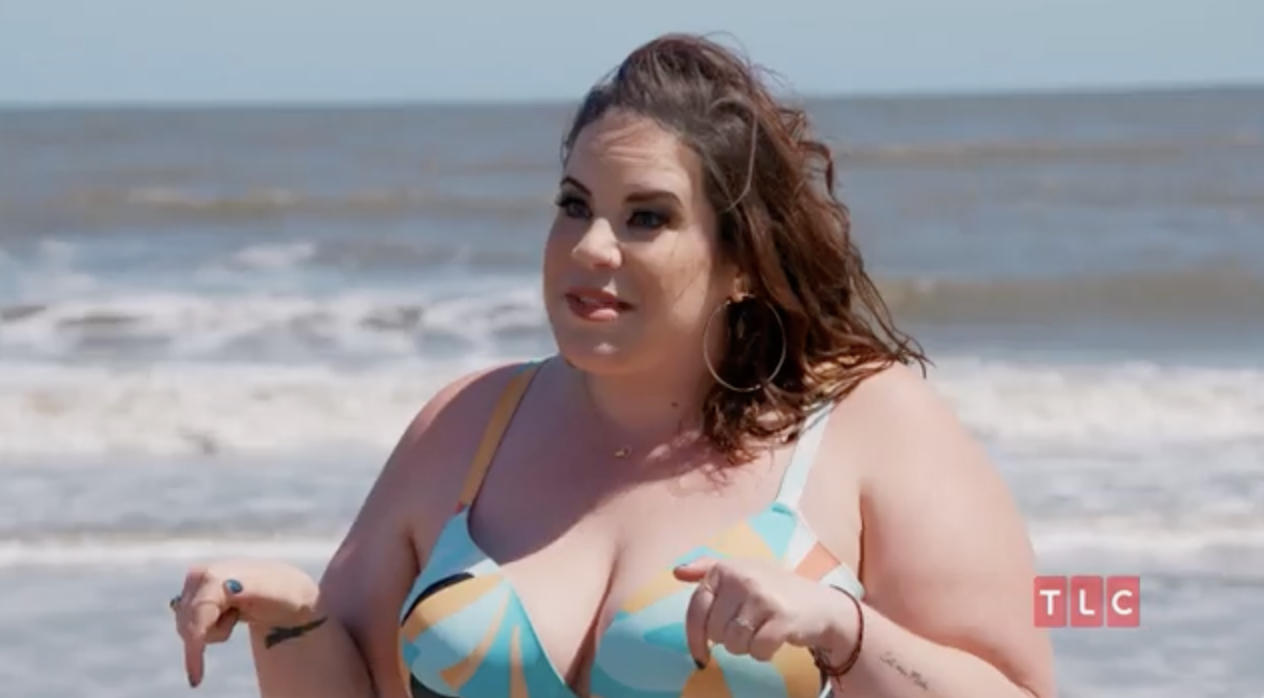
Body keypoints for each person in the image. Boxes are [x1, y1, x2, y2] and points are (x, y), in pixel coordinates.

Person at [170, 33, 1056, 698]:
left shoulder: (866, 426)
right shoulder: (469, 425)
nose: (591, 246)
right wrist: (289, 618)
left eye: (646, 218)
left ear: (741, 262)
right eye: (573, 204)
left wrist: (845, 633)